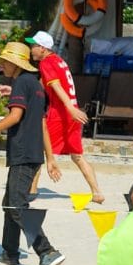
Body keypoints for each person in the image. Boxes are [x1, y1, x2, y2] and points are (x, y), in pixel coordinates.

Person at [0, 42, 65, 265]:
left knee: (17, 206)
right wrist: (50, 158)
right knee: (10, 203)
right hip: (32, 153)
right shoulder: (37, 85)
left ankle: (47, 251)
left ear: (16, 64)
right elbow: (42, 124)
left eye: (4, 62)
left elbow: (15, 116)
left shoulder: (21, 82)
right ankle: (10, 253)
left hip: (23, 152)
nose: (1, 66)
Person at [26, 30, 103, 204]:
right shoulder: (59, 61)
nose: (31, 49)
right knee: (77, 156)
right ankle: (97, 192)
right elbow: (42, 86)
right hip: (72, 114)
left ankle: (31, 191)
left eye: (33, 46)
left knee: (38, 149)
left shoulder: (45, 63)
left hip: (60, 114)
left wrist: (69, 108)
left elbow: (56, 86)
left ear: (43, 48)